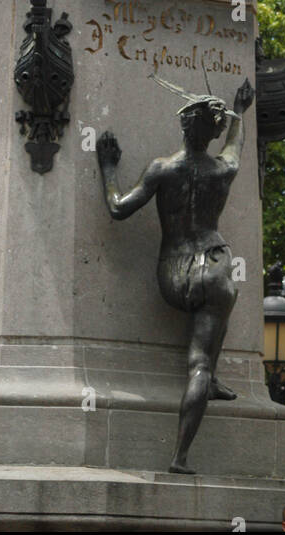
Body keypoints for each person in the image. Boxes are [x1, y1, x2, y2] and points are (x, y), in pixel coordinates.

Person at [96, 76, 255, 473]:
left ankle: (206, 390)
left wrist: (108, 167)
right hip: (215, 268)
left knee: (204, 351)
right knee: (199, 363)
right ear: (212, 132)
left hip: (174, 275)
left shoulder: (162, 169)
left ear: (184, 126)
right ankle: (180, 455)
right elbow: (236, 147)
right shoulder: (223, 170)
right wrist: (241, 111)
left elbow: (118, 207)